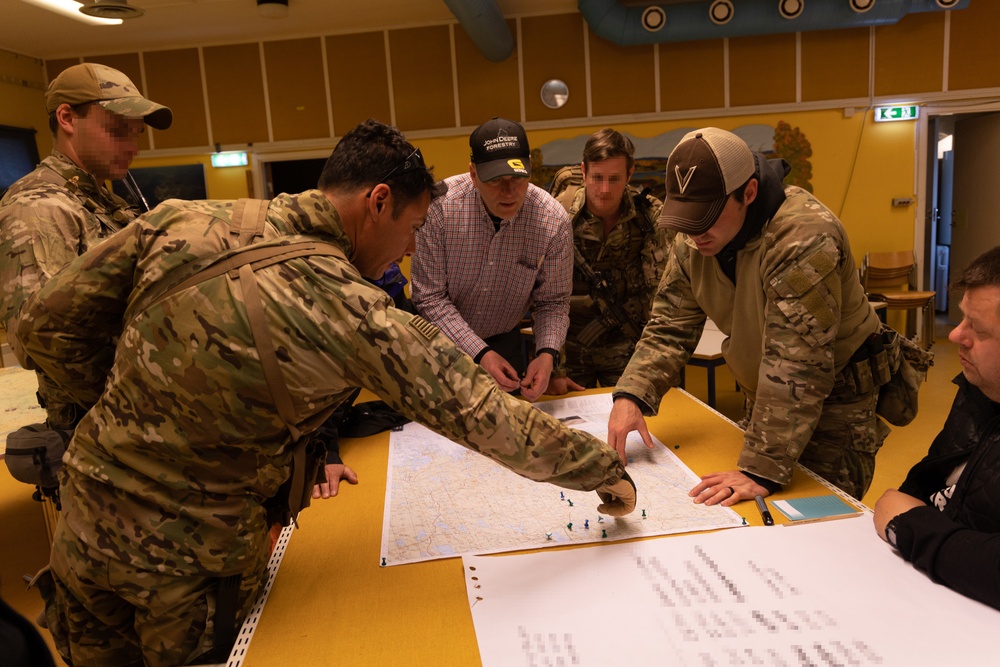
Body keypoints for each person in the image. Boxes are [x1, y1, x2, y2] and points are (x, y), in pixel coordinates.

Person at [14, 119, 635, 667]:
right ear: (379, 202)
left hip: (84, 533)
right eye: (414, 228)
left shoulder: (181, 219)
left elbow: (44, 325)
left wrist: (120, 408)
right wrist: (602, 468)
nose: (414, 247)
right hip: (186, 577)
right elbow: (482, 415)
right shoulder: (347, 307)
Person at [607, 126, 888, 503]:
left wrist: (761, 469)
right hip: (769, 401)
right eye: (686, 219)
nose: (695, 233)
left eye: (705, 216)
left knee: (813, 526)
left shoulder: (803, 235)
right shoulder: (695, 236)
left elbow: (797, 363)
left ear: (749, 192)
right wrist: (632, 395)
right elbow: (669, 327)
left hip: (833, 407)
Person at [0, 62, 172, 431]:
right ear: (67, 118)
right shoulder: (40, 206)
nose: (132, 147)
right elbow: (37, 340)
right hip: (103, 426)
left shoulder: (93, 198)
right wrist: (133, 403)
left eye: (136, 134)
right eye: (117, 131)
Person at [410, 117, 572, 402]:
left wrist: (547, 354)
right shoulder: (439, 210)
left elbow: (553, 302)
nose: (509, 191)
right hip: (441, 350)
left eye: (518, 178)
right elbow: (430, 298)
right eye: (496, 180)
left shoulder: (552, 220)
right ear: (473, 174)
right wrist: (480, 353)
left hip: (506, 343)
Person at [874, 246, 1000, 611]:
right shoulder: (979, 388)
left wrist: (909, 525)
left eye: (978, 329)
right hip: (922, 590)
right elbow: (930, 484)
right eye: (963, 319)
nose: (956, 336)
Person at [546, 128, 671, 395]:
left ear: (630, 174)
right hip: (571, 349)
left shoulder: (647, 217)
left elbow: (659, 296)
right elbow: (546, 298)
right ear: (584, 171)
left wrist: (652, 366)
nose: (604, 190)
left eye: (614, 179)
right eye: (597, 178)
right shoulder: (558, 216)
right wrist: (555, 368)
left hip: (629, 348)